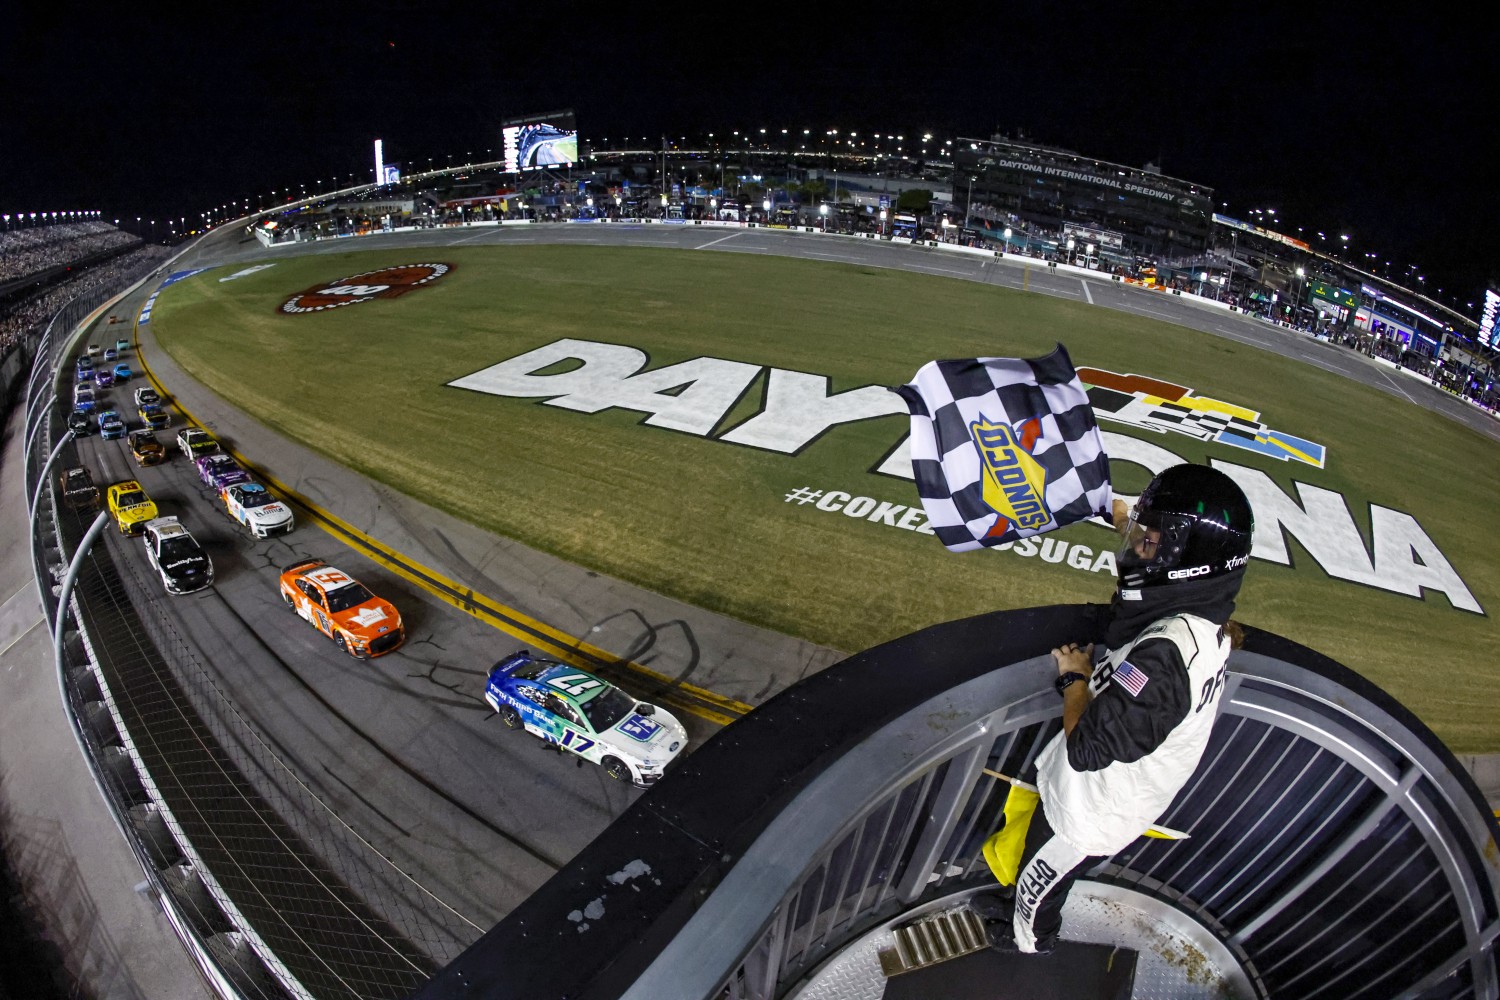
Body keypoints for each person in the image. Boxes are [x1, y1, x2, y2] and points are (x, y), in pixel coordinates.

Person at [973, 463, 1255, 955]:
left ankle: (1026, 939)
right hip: (1107, 795)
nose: (1139, 544)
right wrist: (1124, 516)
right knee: (1038, 860)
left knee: (1041, 886)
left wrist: (1074, 678)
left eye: (1152, 538)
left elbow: (1086, 748)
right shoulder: (1202, 615)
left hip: (1094, 811)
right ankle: (1020, 899)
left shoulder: (1167, 656)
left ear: (1188, 560)